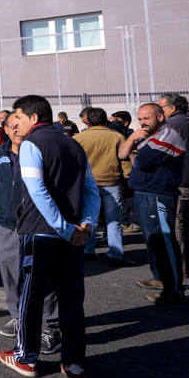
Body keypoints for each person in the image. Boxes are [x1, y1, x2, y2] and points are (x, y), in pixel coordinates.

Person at [0, 95, 98, 378]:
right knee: (71, 300)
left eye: (17, 116)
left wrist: (65, 228)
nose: (14, 122)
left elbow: (37, 191)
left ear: (32, 117)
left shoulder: (32, 144)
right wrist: (86, 225)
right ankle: (74, 363)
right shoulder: (74, 143)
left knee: (30, 296)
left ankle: (25, 357)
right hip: (73, 235)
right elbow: (91, 189)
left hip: (40, 233)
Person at [0, 116, 60, 348]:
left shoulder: (40, 152)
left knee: (43, 277)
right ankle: (19, 317)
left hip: (37, 225)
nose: (17, 130)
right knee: (10, 275)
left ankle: (50, 326)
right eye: (13, 126)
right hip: (7, 224)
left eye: (21, 125)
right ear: (6, 130)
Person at [120, 103, 186, 305]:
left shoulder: (168, 135)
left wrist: (134, 155)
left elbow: (143, 161)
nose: (143, 122)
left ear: (160, 116)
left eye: (147, 118)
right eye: (140, 118)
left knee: (164, 241)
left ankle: (174, 290)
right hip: (144, 192)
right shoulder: (144, 135)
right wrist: (131, 139)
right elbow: (122, 154)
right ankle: (159, 278)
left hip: (158, 194)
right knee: (152, 240)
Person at [74, 107, 130, 265]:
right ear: (105, 120)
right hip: (112, 182)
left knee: (89, 218)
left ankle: (88, 250)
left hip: (87, 184)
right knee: (114, 220)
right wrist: (128, 177)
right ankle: (115, 253)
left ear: (88, 121)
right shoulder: (117, 136)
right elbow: (124, 160)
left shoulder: (79, 138)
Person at [157, 93, 189, 277]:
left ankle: (180, 266)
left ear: (173, 108)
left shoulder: (172, 124)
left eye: (162, 108)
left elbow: (162, 150)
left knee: (177, 223)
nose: (160, 112)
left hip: (179, 179)